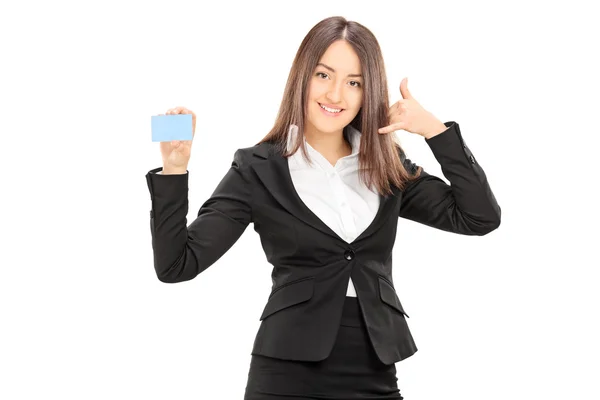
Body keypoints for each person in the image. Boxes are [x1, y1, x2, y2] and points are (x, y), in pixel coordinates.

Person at [145, 16, 501, 400]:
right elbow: (176, 265)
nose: (336, 95)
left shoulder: (387, 167)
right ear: (302, 77)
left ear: (369, 93)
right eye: (323, 75)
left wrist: (435, 130)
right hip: (286, 377)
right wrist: (174, 170)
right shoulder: (258, 169)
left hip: (375, 372)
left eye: (354, 83)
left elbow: (479, 217)